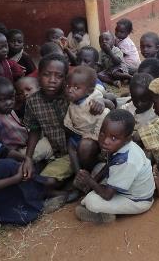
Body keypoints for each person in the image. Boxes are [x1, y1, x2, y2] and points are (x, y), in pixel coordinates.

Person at [21, 54, 105, 196]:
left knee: (86, 147)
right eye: (46, 75)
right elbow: (34, 129)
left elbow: (99, 97)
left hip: (81, 148)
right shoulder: (33, 101)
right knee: (43, 181)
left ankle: (85, 177)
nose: (52, 81)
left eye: (59, 76)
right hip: (57, 150)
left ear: (66, 79)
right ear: (38, 76)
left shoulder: (73, 94)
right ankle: (67, 189)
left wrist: (102, 102)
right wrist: (28, 157)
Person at [74, 110, 155, 223]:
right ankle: (103, 206)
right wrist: (92, 183)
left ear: (127, 139)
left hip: (137, 201)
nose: (105, 141)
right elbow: (108, 166)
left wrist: (90, 182)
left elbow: (107, 195)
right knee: (98, 168)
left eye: (113, 138)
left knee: (91, 201)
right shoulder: (121, 147)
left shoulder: (126, 160)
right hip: (129, 186)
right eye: (102, 134)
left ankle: (105, 216)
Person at [0, 77, 52, 163]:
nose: (9, 102)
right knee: (49, 144)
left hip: (26, 145)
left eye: (11, 97)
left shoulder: (10, 110)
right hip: (18, 155)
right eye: (2, 100)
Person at [64, 66, 110, 176]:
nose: (70, 90)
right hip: (80, 133)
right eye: (68, 86)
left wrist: (102, 102)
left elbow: (108, 110)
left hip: (96, 135)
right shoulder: (74, 101)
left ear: (88, 91)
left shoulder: (93, 102)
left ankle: (90, 170)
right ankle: (78, 174)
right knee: (70, 146)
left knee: (85, 148)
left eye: (76, 87)